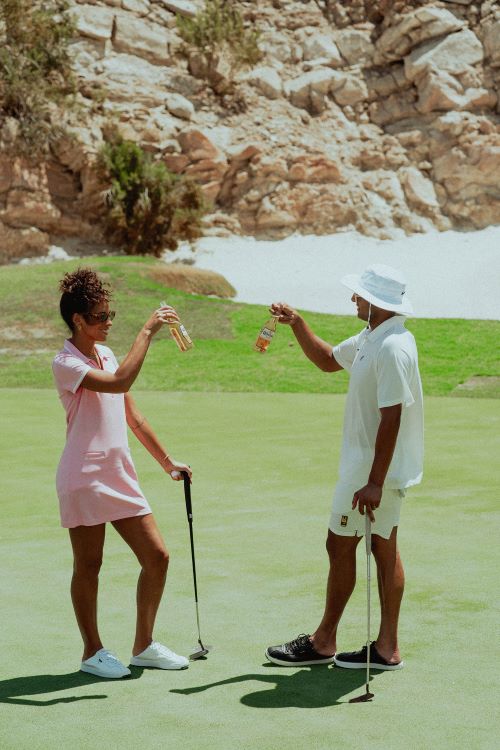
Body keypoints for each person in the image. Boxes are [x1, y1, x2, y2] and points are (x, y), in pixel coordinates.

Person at [265, 264, 423, 671]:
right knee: (374, 546)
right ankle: (378, 646)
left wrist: (374, 482)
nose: (354, 298)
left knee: (357, 546)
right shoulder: (374, 335)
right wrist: (297, 323)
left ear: (378, 302)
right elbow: (326, 360)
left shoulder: (393, 347)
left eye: (360, 295)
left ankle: (332, 643)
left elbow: (392, 417)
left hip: (372, 474)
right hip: (367, 470)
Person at [52, 267, 193, 679]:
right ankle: (92, 651)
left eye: (109, 314)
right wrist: (147, 331)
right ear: (78, 320)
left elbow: (132, 414)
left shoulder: (107, 353)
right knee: (89, 565)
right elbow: (118, 383)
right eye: (100, 316)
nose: (108, 322)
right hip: (83, 477)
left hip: (118, 474)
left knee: (157, 556)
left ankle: (143, 645)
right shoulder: (66, 362)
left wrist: (167, 462)